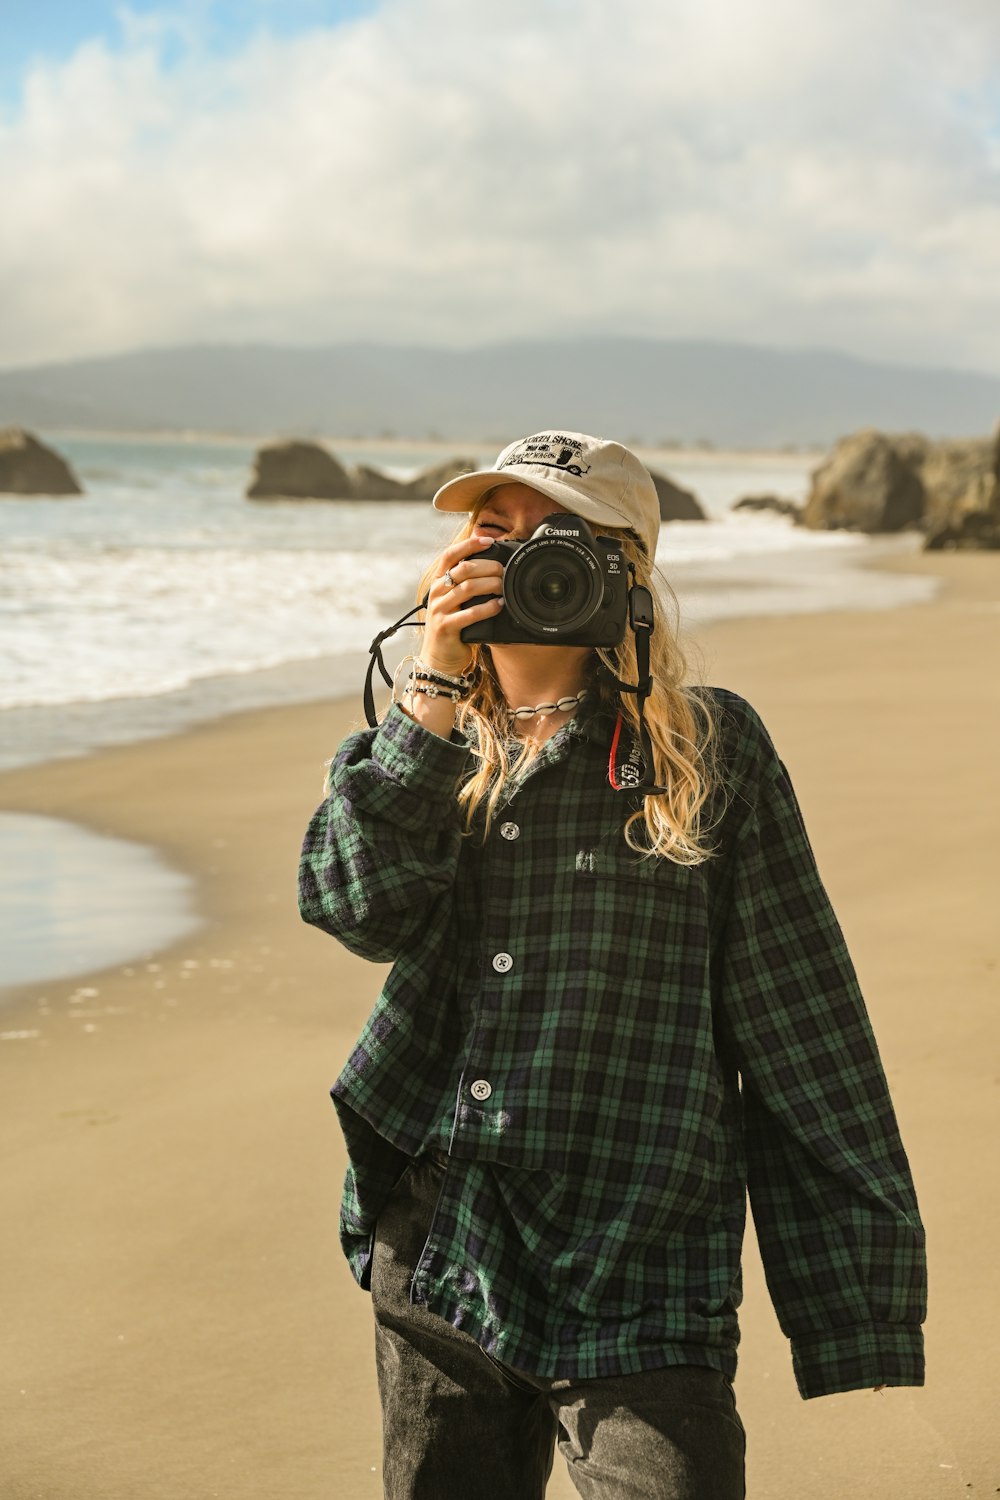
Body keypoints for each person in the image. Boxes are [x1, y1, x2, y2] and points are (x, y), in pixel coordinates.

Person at [298, 430, 926, 1500]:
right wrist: (431, 683)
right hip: (448, 1243)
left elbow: (801, 1018)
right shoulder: (422, 746)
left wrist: (855, 1303)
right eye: (491, 535)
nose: (520, 561)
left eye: (559, 544)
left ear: (622, 576)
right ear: (449, 568)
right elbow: (354, 908)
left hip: (644, 1254)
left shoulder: (707, 752)